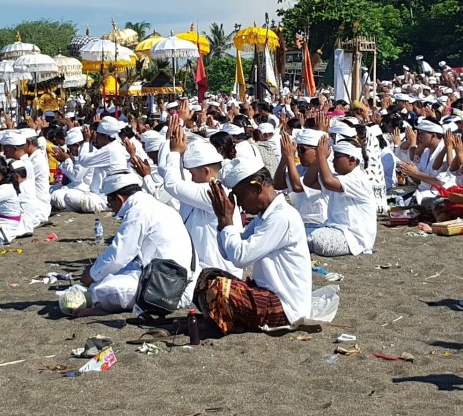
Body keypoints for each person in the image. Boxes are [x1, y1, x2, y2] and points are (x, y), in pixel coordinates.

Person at [196, 155, 312, 334]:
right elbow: (228, 252)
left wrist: (227, 221)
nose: (240, 204)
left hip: (286, 307)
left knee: (218, 289)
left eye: (240, 196)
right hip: (268, 294)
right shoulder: (264, 216)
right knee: (208, 276)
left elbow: (240, 258)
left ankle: (222, 321)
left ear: (257, 188)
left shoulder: (282, 217)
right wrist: (222, 220)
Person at [77, 172, 196, 316]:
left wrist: (92, 274)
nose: (110, 207)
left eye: (110, 202)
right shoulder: (152, 205)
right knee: (110, 275)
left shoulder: (138, 211)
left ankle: (99, 305)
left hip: (168, 288)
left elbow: (118, 255)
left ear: (120, 199)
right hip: (166, 275)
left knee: (101, 289)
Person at [160, 122, 244, 277]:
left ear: (206, 171)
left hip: (220, 274)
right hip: (206, 270)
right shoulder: (204, 186)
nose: (191, 179)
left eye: (193, 174)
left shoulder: (213, 191)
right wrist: (171, 145)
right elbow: (169, 174)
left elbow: (172, 184)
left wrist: (174, 152)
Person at [306, 137, 377, 257]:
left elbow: (328, 182)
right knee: (298, 228)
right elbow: (309, 182)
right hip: (333, 229)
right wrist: (318, 161)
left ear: (352, 160)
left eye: (338, 157)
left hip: (353, 237)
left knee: (318, 241)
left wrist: (322, 157)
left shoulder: (358, 179)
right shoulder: (339, 177)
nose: (333, 161)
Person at [274, 129, 328, 232]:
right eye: (297, 150)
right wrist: (284, 159)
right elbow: (278, 184)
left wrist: (290, 157)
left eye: (302, 150)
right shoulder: (301, 168)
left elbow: (297, 186)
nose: (298, 154)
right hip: (302, 223)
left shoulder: (326, 169)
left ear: (317, 150)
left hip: (321, 225)